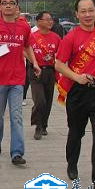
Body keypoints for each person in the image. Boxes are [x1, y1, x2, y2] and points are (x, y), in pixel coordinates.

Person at [55, 0, 95, 189]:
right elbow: (59, 64)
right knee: (76, 133)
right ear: (77, 14)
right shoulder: (70, 38)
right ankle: (71, 163)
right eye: (83, 11)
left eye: (91, 10)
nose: (87, 15)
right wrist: (77, 77)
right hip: (78, 92)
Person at [0, 0, 40, 166]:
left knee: (16, 117)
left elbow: (27, 47)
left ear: (17, 7)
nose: (8, 5)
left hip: (17, 79)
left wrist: (35, 63)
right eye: (5, 3)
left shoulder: (24, 27)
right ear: (0, 7)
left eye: (11, 3)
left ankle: (17, 153)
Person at [28, 11, 61, 140]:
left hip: (50, 71)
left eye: (51, 19)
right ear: (39, 21)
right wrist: (33, 61)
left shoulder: (56, 38)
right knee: (39, 100)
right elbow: (24, 51)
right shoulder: (32, 36)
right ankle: (37, 125)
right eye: (47, 19)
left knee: (48, 100)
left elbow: (61, 54)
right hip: (35, 71)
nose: (50, 21)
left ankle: (44, 125)